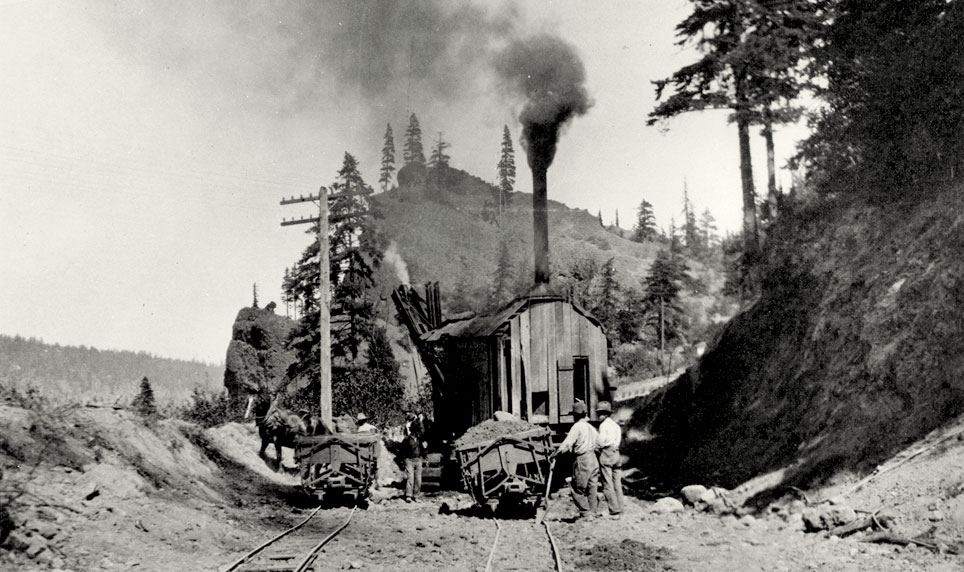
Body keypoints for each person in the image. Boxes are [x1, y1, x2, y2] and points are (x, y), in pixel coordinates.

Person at [551, 400, 599, 520]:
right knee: (592, 487)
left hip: (583, 459)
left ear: (575, 415)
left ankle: (586, 513)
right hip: (593, 458)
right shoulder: (591, 427)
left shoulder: (577, 427)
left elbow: (567, 444)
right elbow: (600, 442)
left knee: (576, 488)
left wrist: (556, 453)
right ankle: (592, 512)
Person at [595, 401, 624, 518]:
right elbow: (618, 440)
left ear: (605, 414)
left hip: (607, 453)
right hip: (616, 452)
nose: (599, 416)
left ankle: (613, 511)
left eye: (600, 413)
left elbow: (600, 442)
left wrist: (596, 448)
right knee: (617, 483)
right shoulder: (615, 425)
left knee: (607, 484)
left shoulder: (603, 425)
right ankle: (620, 508)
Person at [400, 411, 426, 502]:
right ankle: (408, 496)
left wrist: (424, 457)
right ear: (413, 430)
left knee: (418, 479)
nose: (418, 432)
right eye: (417, 430)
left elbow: (422, 449)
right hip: (409, 460)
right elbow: (402, 450)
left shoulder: (419, 439)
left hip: (418, 460)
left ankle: (416, 495)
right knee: (410, 478)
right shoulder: (407, 440)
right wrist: (404, 460)